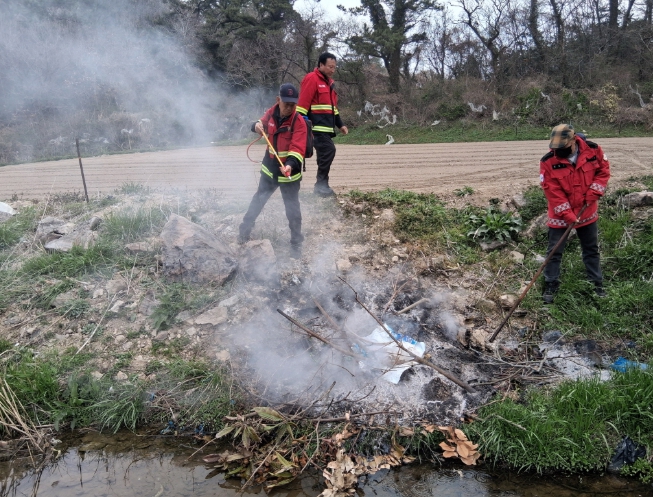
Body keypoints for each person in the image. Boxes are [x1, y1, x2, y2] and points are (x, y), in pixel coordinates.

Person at [539, 123, 611, 303]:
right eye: (555, 147)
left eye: (562, 147)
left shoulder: (593, 150)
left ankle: (596, 284)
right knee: (554, 251)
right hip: (560, 215)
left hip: (587, 211)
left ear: (573, 140)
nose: (557, 151)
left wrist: (594, 192)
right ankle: (551, 284)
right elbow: (552, 192)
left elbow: (603, 171)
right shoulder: (548, 161)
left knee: (591, 249)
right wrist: (568, 215)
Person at [238, 83, 308, 258]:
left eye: (293, 104)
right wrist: (256, 125)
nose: (290, 108)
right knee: (258, 200)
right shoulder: (271, 112)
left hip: (289, 173)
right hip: (269, 170)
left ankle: (296, 245)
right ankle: (244, 231)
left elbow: (297, 148)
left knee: (292, 210)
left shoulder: (298, 121)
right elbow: (259, 123)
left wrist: (290, 164)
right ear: (278, 100)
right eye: (286, 104)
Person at [297, 52, 348, 197]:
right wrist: (303, 128)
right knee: (329, 150)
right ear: (321, 65)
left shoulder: (329, 83)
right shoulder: (312, 79)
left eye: (334, 67)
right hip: (315, 128)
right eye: (330, 67)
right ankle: (321, 185)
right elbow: (302, 106)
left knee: (324, 155)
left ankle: (321, 186)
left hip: (326, 128)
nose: (333, 70)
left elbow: (333, 109)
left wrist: (340, 124)